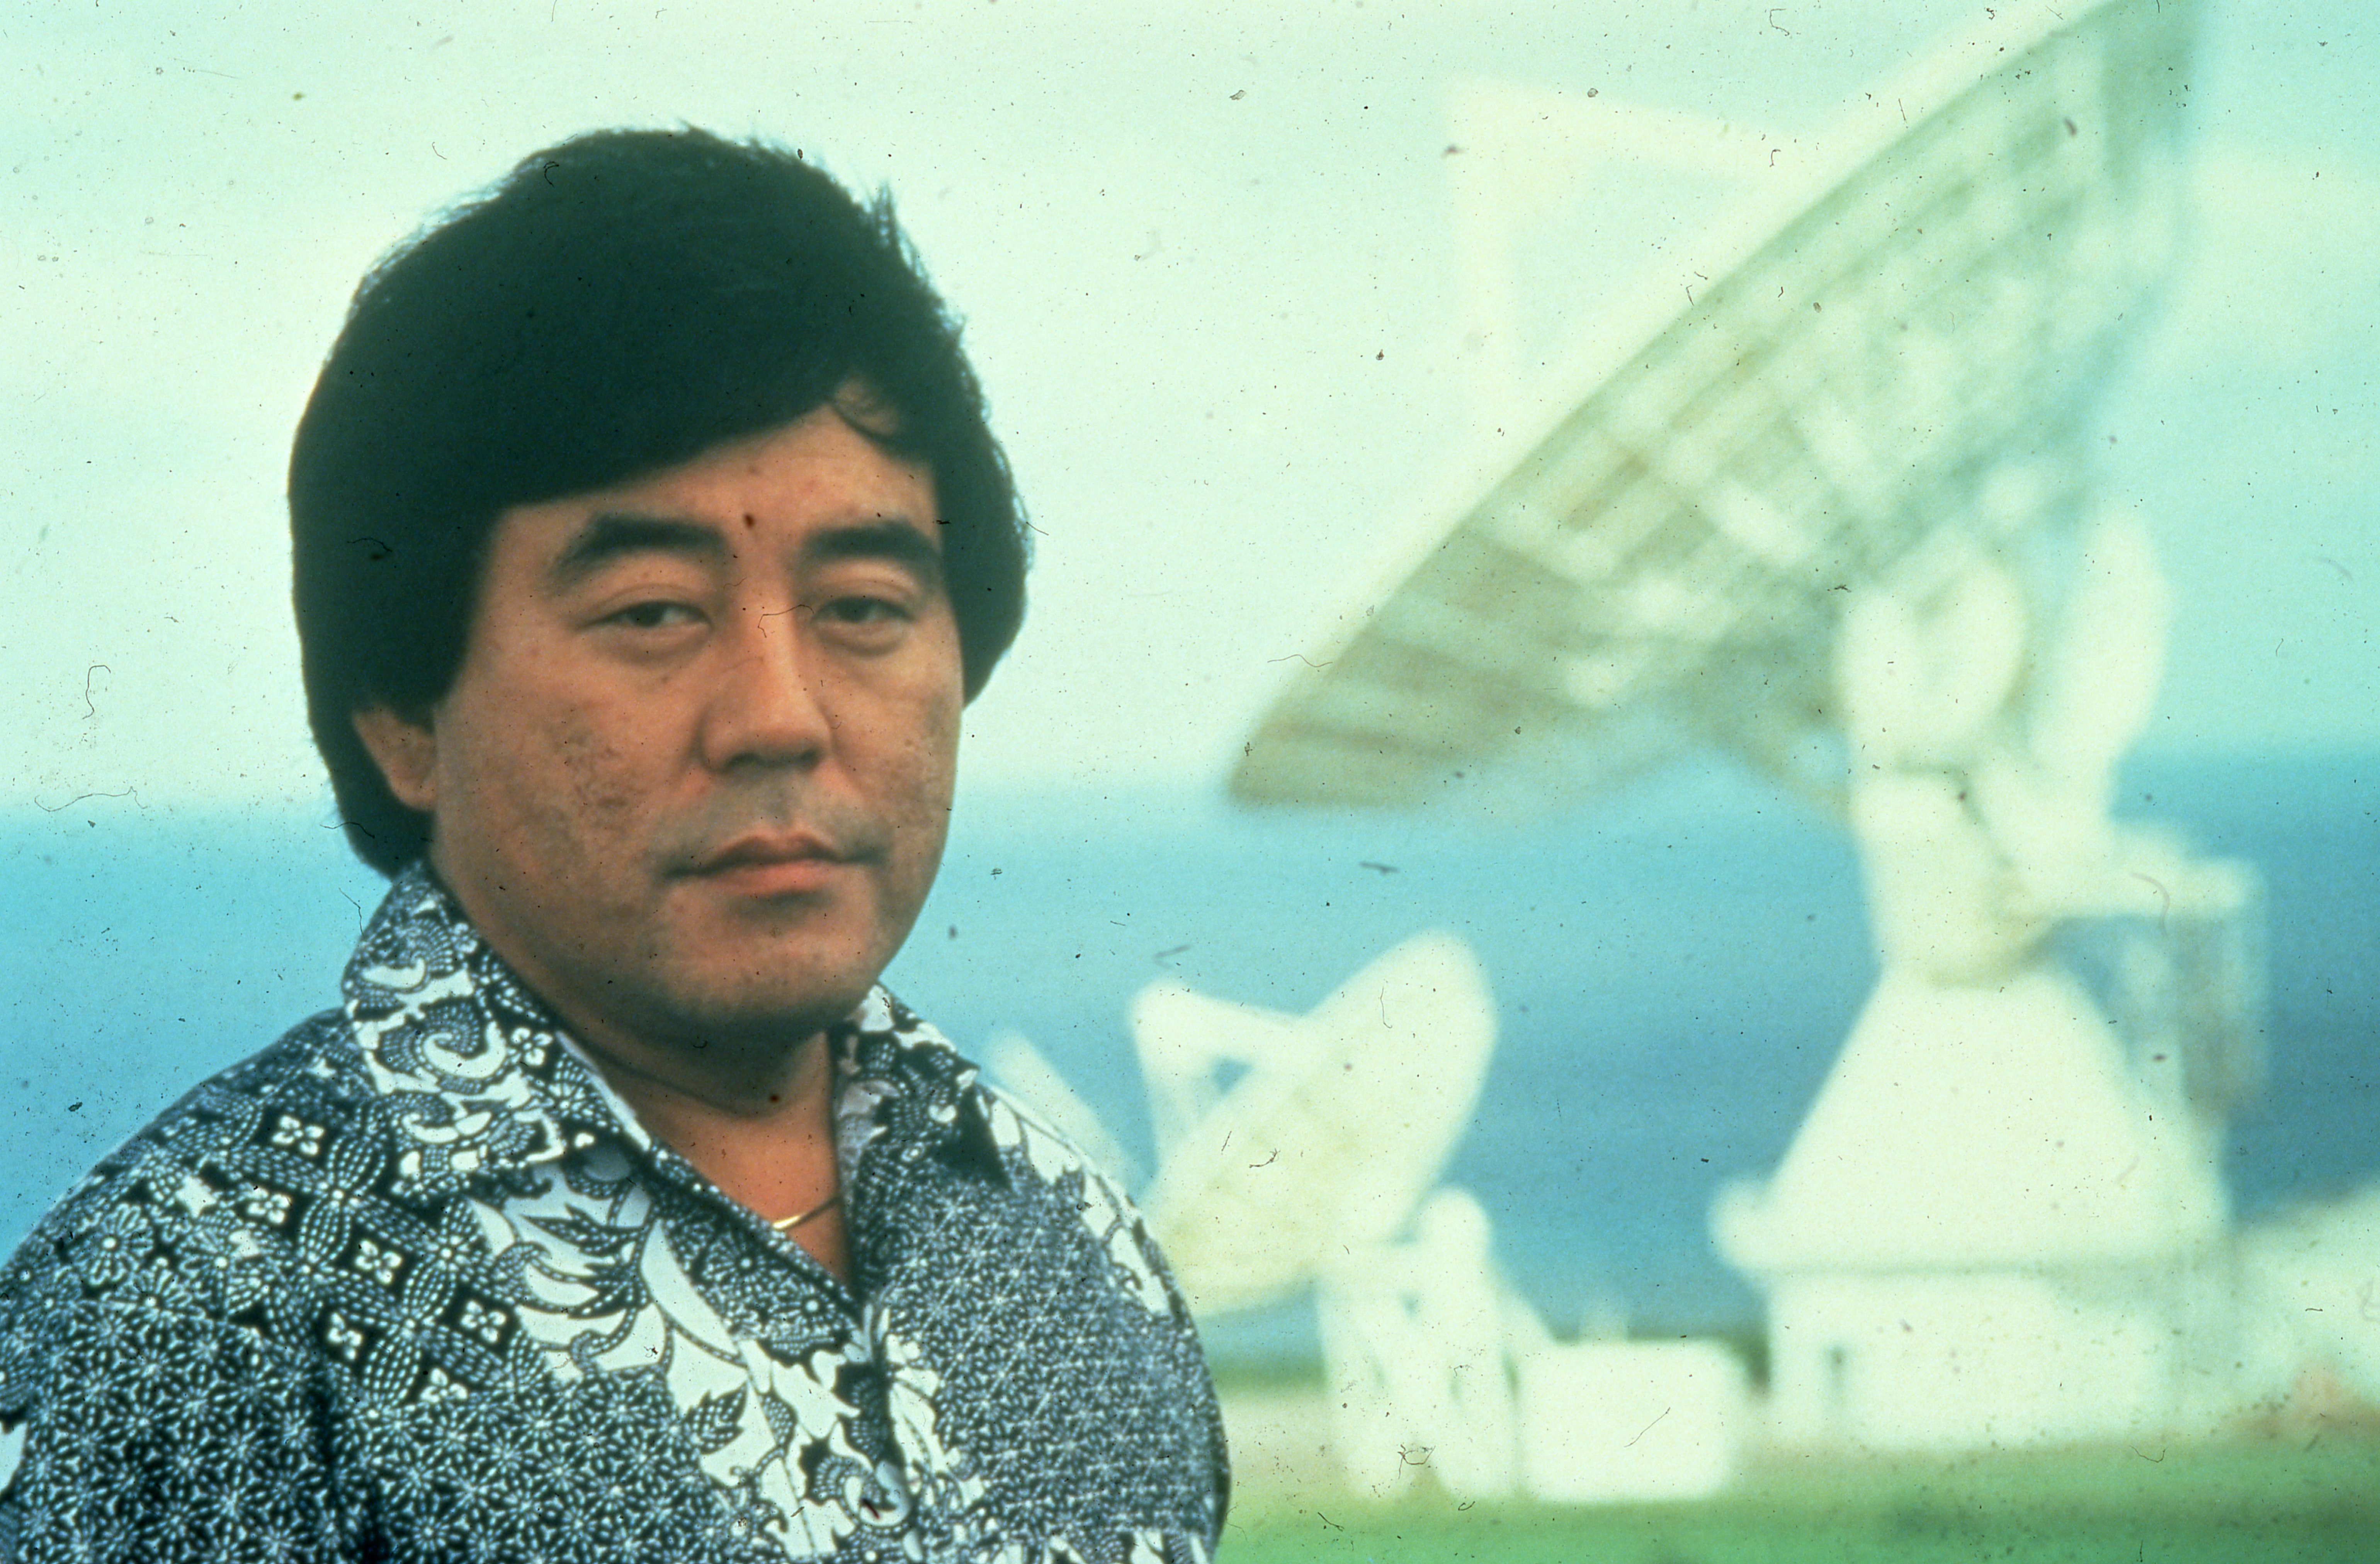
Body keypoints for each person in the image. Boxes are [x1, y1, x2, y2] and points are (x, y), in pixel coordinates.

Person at [0, 128, 1226, 1564]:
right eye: (652, 611)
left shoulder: (1072, 1240)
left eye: (863, 608)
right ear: (402, 712)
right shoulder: (184, 1320)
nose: (780, 717)